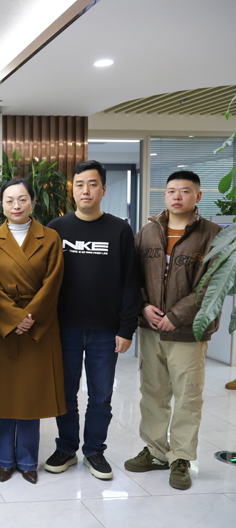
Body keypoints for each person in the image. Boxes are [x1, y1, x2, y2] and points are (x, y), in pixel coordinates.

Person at [45, 160, 141, 481]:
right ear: (72, 190)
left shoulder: (119, 230)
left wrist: (126, 328)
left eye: (92, 184)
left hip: (106, 331)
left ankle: (94, 451)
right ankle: (66, 448)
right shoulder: (56, 229)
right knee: (65, 394)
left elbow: (130, 283)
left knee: (101, 396)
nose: (85, 190)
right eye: (79, 184)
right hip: (64, 329)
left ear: (103, 189)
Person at [126, 170, 221, 490]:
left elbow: (211, 285)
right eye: (171, 191)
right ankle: (155, 451)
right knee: (153, 393)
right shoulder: (148, 232)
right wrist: (143, 305)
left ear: (198, 196)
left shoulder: (213, 234)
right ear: (164, 195)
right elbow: (132, 275)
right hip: (151, 327)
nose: (177, 196)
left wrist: (177, 316)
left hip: (188, 331)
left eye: (184, 191)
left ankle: (181, 457)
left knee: (187, 396)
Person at [0, 178, 65, 484]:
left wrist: (28, 318)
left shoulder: (50, 237)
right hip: (3, 327)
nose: (16, 206)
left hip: (38, 327)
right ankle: (4, 460)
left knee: (32, 396)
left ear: (32, 202)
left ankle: (29, 461)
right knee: (4, 396)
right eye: (9, 200)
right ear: (2, 205)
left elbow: (53, 282)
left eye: (22, 199)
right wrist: (14, 318)